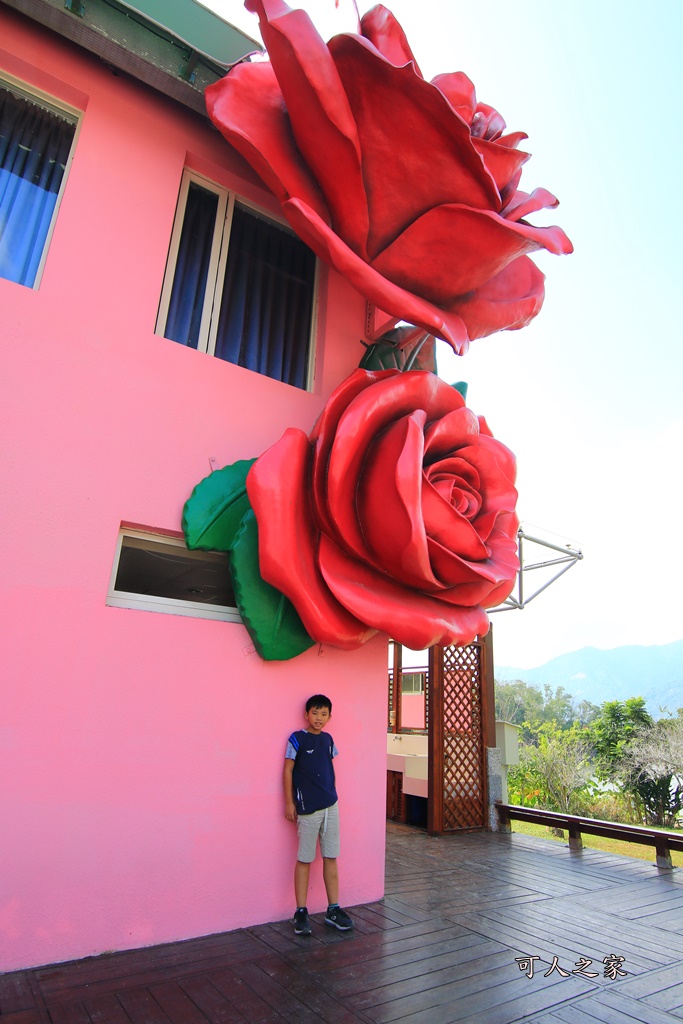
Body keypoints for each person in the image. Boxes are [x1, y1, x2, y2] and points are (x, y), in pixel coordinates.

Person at [283, 694, 354, 936]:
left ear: (329, 717)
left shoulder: (328, 740)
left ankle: (333, 909)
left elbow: (329, 767)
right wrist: (289, 802)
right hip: (307, 808)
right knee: (304, 859)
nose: (319, 718)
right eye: (315, 713)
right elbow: (288, 770)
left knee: (331, 857)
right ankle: (300, 912)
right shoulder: (296, 739)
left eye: (324, 714)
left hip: (330, 806)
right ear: (306, 714)